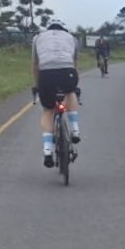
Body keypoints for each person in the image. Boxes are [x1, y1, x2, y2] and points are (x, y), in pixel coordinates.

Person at [32, 17, 81, 167]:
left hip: (46, 74)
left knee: (48, 110)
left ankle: (47, 150)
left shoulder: (38, 38)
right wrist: (74, 84)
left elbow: (36, 64)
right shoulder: (72, 38)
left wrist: (37, 84)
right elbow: (74, 63)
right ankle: (74, 130)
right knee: (70, 92)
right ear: (63, 29)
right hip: (67, 71)